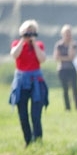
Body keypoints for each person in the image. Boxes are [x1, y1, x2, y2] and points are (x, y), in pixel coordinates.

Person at [9, 19, 49, 147]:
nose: (29, 35)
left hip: (36, 81)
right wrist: (23, 41)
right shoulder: (17, 43)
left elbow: (42, 59)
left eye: (32, 32)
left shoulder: (40, 45)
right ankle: (28, 141)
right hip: (21, 81)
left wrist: (34, 43)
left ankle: (38, 140)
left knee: (36, 114)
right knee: (23, 114)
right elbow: (14, 55)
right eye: (27, 32)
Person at [53, 24, 77, 111]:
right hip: (62, 70)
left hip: (72, 69)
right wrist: (66, 58)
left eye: (69, 33)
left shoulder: (74, 44)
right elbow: (56, 57)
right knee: (65, 89)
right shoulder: (59, 45)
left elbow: (71, 56)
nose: (68, 35)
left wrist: (69, 46)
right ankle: (67, 108)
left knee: (75, 89)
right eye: (66, 34)